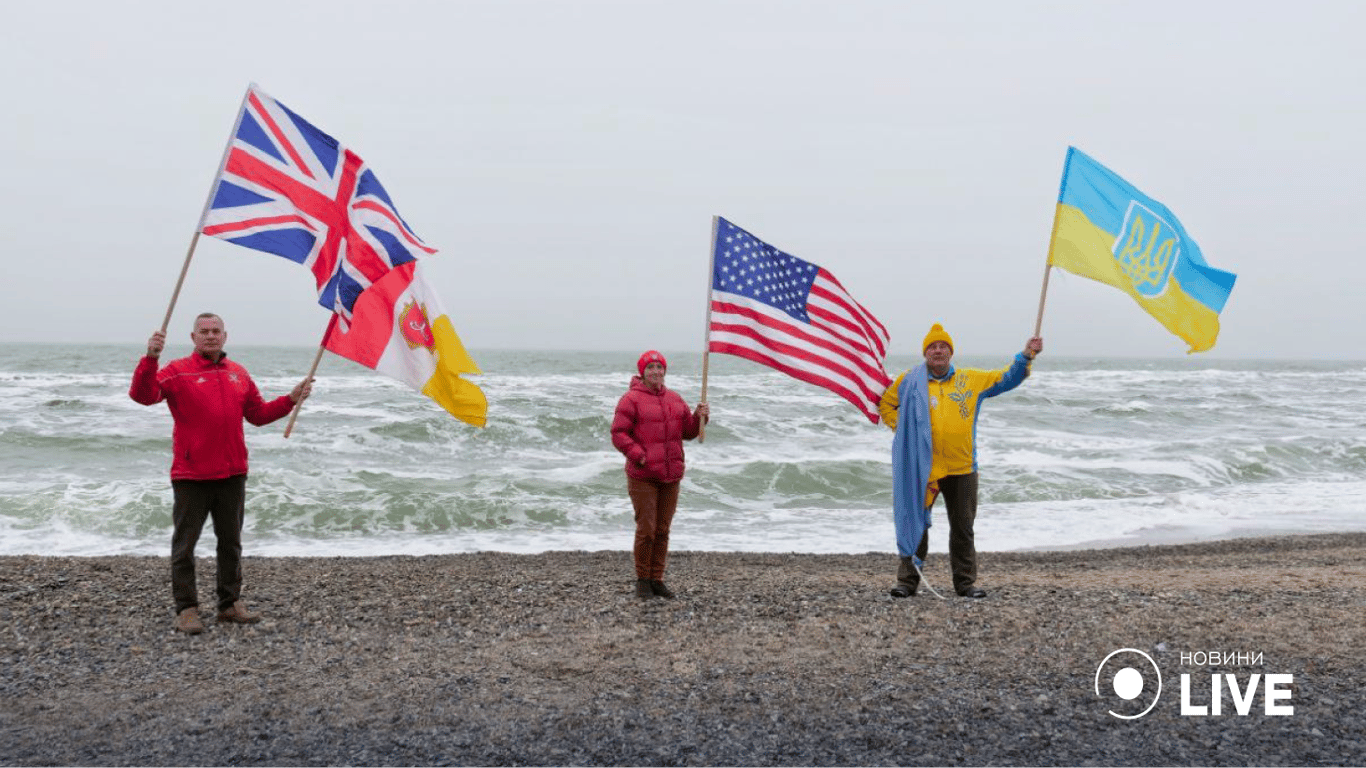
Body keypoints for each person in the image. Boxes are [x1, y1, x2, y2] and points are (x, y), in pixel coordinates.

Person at [129, 313, 313, 634]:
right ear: (193, 337)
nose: (211, 336)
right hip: (192, 474)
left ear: (225, 337)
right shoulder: (176, 372)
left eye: (216, 331)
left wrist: (290, 400)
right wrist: (151, 358)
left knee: (230, 543)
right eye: (205, 332)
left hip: (232, 473)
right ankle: (186, 609)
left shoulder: (238, 373)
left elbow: (257, 414)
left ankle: (229, 605)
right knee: (185, 545)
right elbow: (143, 396)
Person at [879, 323, 1043, 599]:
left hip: (962, 467)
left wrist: (1025, 356)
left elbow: (1007, 378)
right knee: (914, 523)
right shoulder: (909, 381)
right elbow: (886, 404)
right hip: (923, 467)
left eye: (943, 346)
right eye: (933, 346)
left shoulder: (971, 380)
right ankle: (907, 582)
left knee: (963, 529)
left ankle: (965, 583)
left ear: (950, 352)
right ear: (925, 353)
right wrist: (904, 430)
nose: (938, 350)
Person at [610, 350, 709, 599]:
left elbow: (687, 431)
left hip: (670, 475)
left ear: (665, 371)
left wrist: (700, 417)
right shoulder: (630, 399)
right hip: (643, 475)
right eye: (650, 367)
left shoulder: (675, 399)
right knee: (647, 529)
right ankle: (642, 580)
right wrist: (638, 454)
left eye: (659, 367)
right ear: (642, 372)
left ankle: (657, 579)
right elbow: (618, 433)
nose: (656, 371)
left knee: (663, 530)